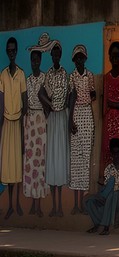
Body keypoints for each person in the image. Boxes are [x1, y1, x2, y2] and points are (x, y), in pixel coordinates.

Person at [39, 39, 71, 217]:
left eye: (58, 54)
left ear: (60, 55)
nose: (56, 56)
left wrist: (63, 106)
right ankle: (54, 206)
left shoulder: (64, 73)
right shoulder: (49, 74)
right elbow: (41, 93)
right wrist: (49, 105)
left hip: (61, 116)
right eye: (54, 54)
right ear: (51, 56)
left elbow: (68, 95)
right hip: (52, 117)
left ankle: (60, 206)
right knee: (52, 156)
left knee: (60, 155)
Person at [68, 44, 97, 214]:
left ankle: (84, 203)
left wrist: (93, 95)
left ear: (85, 59)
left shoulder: (90, 76)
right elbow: (71, 99)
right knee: (76, 159)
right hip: (76, 113)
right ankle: (76, 203)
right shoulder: (72, 77)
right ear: (74, 60)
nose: (79, 60)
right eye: (77, 58)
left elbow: (92, 93)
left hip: (87, 113)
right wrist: (70, 120)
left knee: (86, 158)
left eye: (81, 57)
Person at [0, 36, 26, 217]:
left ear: (16, 51)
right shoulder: (2, 75)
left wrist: (23, 127)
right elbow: (1, 103)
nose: (11, 53)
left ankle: (16, 204)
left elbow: (24, 103)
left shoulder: (21, 74)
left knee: (17, 166)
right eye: (8, 51)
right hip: (6, 123)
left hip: (17, 122)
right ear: (6, 52)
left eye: (13, 50)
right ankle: (10, 204)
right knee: (8, 166)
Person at [85, 138, 119, 235]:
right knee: (89, 202)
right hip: (107, 195)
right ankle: (97, 224)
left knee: (112, 192)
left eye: (118, 153)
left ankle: (106, 227)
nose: (117, 156)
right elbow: (106, 185)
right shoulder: (108, 168)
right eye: (114, 153)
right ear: (111, 155)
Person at [23, 47, 48, 216]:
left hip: (41, 121)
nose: (35, 62)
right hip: (30, 120)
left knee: (40, 163)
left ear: (40, 61)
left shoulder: (45, 79)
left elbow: (48, 102)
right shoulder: (28, 80)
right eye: (32, 60)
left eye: (37, 60)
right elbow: (25, 103)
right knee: (30, 162)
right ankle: (32, 203)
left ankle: (39, 204)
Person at [100, 41, 119, 170]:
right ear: (109, 57)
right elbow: (104, 106)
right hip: (109, 121)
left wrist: (112, 104)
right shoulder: (106, 78)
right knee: (108, 150)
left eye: (118, 55)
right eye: (112, 55)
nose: (115, 58)